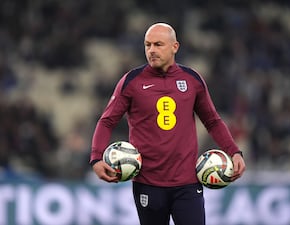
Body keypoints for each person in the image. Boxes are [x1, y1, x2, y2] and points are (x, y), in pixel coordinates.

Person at [90, 22, 246, 225]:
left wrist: (234, 152)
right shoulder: (132, 81)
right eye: (147, 45)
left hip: (188, 183)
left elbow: (212, 121)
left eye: (158, 44)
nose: (151, 50)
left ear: (175, 47)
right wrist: (96, 158)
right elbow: (107, 120)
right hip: (148, 183)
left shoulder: (192, 80)